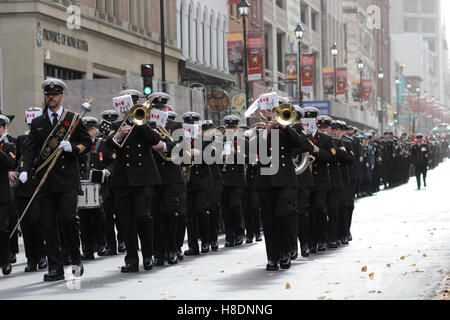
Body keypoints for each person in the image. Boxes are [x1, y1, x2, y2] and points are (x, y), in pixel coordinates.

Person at [19, 79, 93, 281]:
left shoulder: (74, 119)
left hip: (67, 180)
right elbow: (30, 150)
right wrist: (25, 169)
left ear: (62, 96)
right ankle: (55, 267)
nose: (51, 97)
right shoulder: (38, 123)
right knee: (49, 225)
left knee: (69, 219)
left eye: (55, 94)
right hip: (45, 180)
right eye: (48, 95)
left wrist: (73, 148)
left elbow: (87, 144)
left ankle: (75, 261)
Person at [105, 88, 164, 273]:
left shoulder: (147, 121)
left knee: (143, 216)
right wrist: (119, 135)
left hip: (143, 179)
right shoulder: (116, 124)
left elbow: (155, 140)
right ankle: (131, 259)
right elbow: (107, 148)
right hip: (122, 180)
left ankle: (148, 255)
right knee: (124, 220)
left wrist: (140, 123)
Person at [255, 98, 315, 271]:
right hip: (266, 180)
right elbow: (255, 152)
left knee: (284, 216)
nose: (272, 114)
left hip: (285, 180)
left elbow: (301, 145)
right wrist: (266, 130)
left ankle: (286, 253)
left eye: (276, 111)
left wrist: (284, 126)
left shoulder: (291, 130)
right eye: (271, 111)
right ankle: (272, 258)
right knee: (268, 220)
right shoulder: (260, 130)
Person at [148, 92, 186, 266]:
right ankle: (158, 252)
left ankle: (171, 249)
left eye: (162, 107)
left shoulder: (175, 125)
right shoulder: (145, 125)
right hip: (153, 176)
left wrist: (163, 145)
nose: (159, 110)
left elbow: (180, 145)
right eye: (156, 107)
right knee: (155, 216)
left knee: (170, 213)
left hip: (171, 176)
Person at [11, 108, 47, 272]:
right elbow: (18, 159)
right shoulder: (21, 139)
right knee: (25, 224)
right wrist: (15, 172)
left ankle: (41, 255)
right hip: (23, 187)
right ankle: (31, 259)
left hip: (39, 186)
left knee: (37, 221)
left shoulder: (46, 137)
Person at [77, 117, 114, 260]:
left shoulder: (102, 144)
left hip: (99, 186)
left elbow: (112, 162)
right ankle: (87, 248)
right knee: (84, 218)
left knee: (99, 217)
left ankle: (101, 244)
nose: (87, 132)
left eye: (89, 129)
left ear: (94, 130)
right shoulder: (79, 145)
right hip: (83, 184)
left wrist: (107, 171)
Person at [181, 112, 213, 256]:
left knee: (201, 211)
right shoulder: (181, 139)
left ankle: (205, 241)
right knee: (189, 215)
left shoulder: (206, 139)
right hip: (188, 183)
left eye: (193, 124)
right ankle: (193, 246)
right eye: (188, 124)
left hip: (203, 182)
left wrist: (198, 153)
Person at [99, 109, 125, 255]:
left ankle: (122, 242)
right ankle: (111, 245)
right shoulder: (102, 142)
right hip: (105, 184)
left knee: (121, 215)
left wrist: (109, 169)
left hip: (117, 181)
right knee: (107, 217)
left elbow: (115, 161)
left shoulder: (118, 140)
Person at [220, 115, 247, 248]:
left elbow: (250, 158)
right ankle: (229, 236)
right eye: (228, 127)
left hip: (237, 179)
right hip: (224, 179)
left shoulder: (242, 141)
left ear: (237, 128)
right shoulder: (219, 141)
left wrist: (236, 153)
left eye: (233, 127)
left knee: (234, 206)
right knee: (225, 209)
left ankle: (239, 232)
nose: (230, 129)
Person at [0, 115, 16, 276]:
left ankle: (5, 260)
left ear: (4, 129)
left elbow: (11, 164)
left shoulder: (8, 146)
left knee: (2, 229)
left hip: (2, 194)